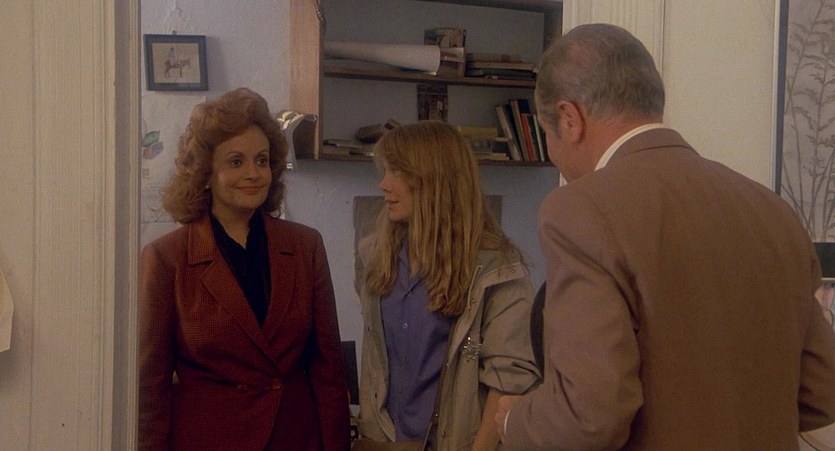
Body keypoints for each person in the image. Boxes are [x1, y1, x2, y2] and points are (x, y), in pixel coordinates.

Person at [495, 23, 835, 450]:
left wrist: (514, 420)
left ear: (569, 119)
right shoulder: (772, 211)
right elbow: (821, 391)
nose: (554, 154)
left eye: (547, 134)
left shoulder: (580, 210)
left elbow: (589, 417)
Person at [138, 87, 351, 450]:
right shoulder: (166, 258)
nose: (253, 174)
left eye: (261, 160)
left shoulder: (305, 246)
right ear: (206, 172)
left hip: (294, 439)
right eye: (236, 162)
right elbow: (150, 388)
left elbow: (328, 369)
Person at [354, 120, 541, 450]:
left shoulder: (497, 270)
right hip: (386, 440)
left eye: (396, 171)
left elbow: (509, 380)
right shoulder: (375, 256)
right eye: (385, 170)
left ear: (433, 180)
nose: (383, 184)